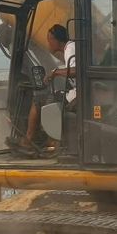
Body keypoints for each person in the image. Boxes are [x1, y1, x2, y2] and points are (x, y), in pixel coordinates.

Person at [16, 24, 75, 154]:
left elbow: (75, 71)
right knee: (49, 95)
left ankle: (33, 139)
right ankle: (48, 138)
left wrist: (55, 73)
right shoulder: (70, 48)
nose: (48, 44)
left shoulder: (70, 48)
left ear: (56, 40)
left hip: (78, 93)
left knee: (40, 98)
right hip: (76, 91)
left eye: (49, 41)